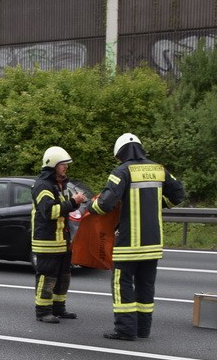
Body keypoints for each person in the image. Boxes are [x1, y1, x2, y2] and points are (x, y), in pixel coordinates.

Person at [88, 133, 185, 341]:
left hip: (129, 244)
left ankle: (125, 329)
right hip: (153, 243)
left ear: (121, 153)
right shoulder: (158, 170)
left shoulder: (121, 172)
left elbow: (105, 204)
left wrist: (90, 207)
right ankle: (142, 329)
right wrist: (156, 203)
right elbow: (178, 194)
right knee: (146, 286)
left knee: (121, 284)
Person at [32, 146, 86, 323]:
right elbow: (49, 212)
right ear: (53, 164)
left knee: (63, 277)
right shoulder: (42, 185)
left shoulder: (59, 185)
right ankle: (43, 311)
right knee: (47, 277)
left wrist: (76, 203)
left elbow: (65, 208)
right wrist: (73, 201)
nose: (66, 168)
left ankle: (58, 308)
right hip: (47, 241)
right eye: (63, 164)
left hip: (62, 241)